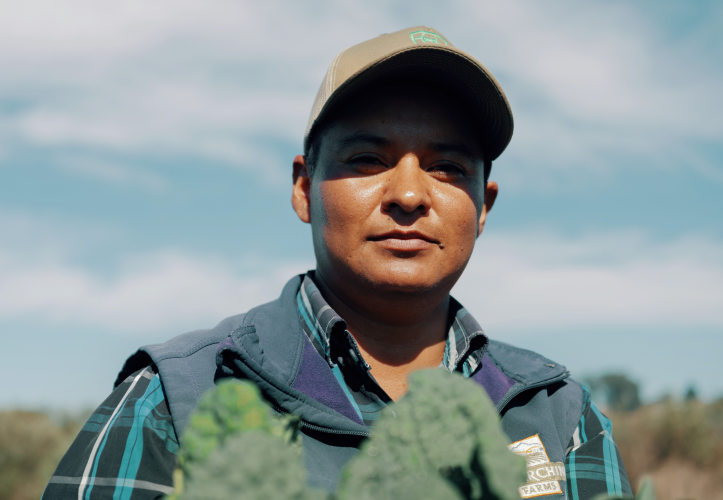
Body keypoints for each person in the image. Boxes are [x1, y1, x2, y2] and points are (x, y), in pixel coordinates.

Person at [43, 26, 631, 500]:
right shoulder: (179, 396)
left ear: (483, 207)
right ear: (304, 188)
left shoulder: (558, 414)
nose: (409, 193)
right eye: (369, 158)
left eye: (448, 167)